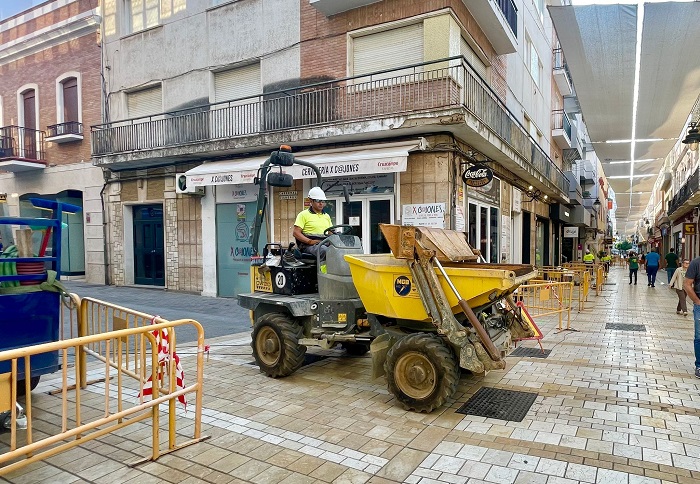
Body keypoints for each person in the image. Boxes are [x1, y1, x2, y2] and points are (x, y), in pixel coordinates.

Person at [293, 187, 333, 259]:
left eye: (323, 201)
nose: (321, 203)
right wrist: (309, 241)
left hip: (324, 244)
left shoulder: (326, 216)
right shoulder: (303, 215)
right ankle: (324, 270)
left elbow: (330, 232)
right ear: (311, 201)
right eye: (318, 201)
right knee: (325, 251)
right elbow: (296, 233)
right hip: (309, 246)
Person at [683, 257, 700, 378]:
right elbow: (687, 284)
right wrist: (697, 301)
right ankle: (699, 365)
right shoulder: (696, 263)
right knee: (699, 337)